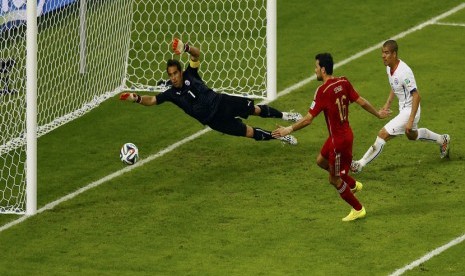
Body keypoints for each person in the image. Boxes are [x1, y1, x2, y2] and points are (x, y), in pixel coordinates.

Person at [272, 53, 390, 221]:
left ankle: (358, 208)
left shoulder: (322, 91)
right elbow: (362, 101)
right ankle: (353, 184)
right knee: (321, 160)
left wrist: (288, 129)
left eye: (316, 67)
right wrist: (378, 114)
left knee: (334, 179)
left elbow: (308, 119)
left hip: (338, 143)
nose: (315, 71)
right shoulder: (343, 81)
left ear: (323, 69)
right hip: (344, 135)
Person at [120, 38, 302, 145]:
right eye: (170, 75)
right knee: (248, 132)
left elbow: (196, 54)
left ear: (181, 72)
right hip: (213, 120)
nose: (173, 77)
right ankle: (280, 136)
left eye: (176, 73)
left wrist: (185, 48)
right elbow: (152, 100)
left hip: (222, 102)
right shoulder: (170, 93)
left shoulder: (191, 73)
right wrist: (135, 98)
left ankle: (287, 116)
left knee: (255, 109)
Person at [350, 40, 451, 174]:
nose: (383, 56)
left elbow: (416, 96)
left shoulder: (404, 72)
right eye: (382, 53)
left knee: (382, 134)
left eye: (386, 53)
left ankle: (359, 164)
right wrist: (388, 103)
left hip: (410, 110)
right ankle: (442, 139)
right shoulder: (389, 67)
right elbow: (395, 86)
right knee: (412, 135)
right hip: (403, 109)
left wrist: (410, 119)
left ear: (394, 54)